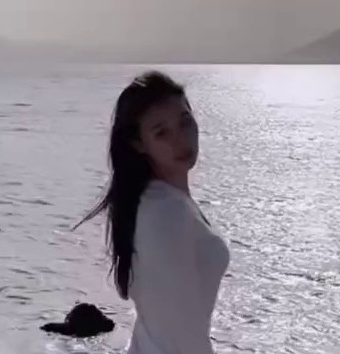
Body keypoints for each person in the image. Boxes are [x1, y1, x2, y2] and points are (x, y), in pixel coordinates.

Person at [76, 71, 230, 353]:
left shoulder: (159, 201)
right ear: (139, 143)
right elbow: (182, 335)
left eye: (185, 121)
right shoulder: (164, 212)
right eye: (162, 132)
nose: (181, 139)